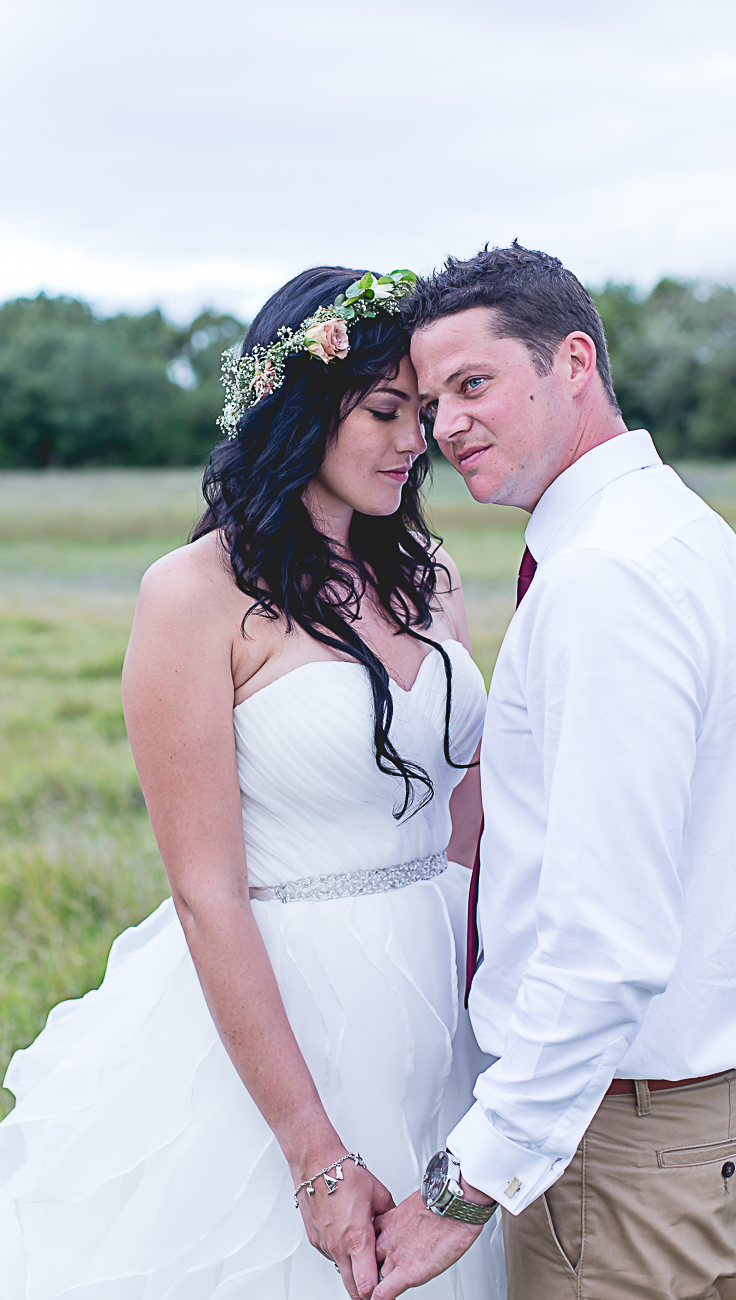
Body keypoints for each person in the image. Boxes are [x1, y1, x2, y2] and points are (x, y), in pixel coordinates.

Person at [0, 266, 505, 1300]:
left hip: (443, 992)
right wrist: (315, 1153)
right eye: (386, 411)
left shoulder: (427, 572)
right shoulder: (193, 595)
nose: (414, 442)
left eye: (423, 413)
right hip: (292, 1006)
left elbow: (465, 826)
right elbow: (205, 892)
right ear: (301, 409)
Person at [372, 243, 736, 1300]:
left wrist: (470, 1181)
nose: (445, 427)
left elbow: (603, 939)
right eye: (430, 403)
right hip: (684, 1118)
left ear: (572, 361)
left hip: (619, 1149)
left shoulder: (602, 579)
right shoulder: (680, 532)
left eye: (472, 384)